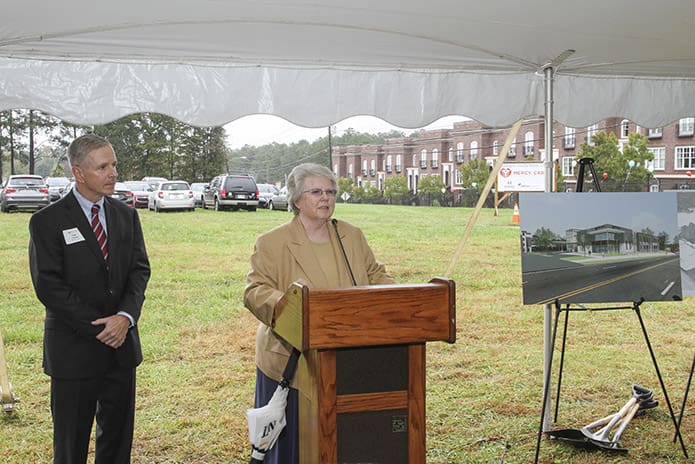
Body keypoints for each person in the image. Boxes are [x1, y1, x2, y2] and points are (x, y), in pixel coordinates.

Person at [244, 163, 394, 463]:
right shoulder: (272, 242)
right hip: (292, 364)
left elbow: (376, 275)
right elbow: (254, 291)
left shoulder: (352, 235)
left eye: (330, 192)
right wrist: (290, 303)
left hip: (348, 359)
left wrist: (395, 297)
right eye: (315, 192)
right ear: (297, 199)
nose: (325, 198)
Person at [28, 134, 151, 464]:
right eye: (102, 167)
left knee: (116, 442)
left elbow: (139, 271)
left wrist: (125, 317)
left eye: (114, 164)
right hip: (74, 351)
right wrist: (99, 327)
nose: (112, 173)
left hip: (121, 348)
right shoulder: (46, 221)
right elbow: (48, 285)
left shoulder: (126, 215)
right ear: (78, 172)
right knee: (71, 444)